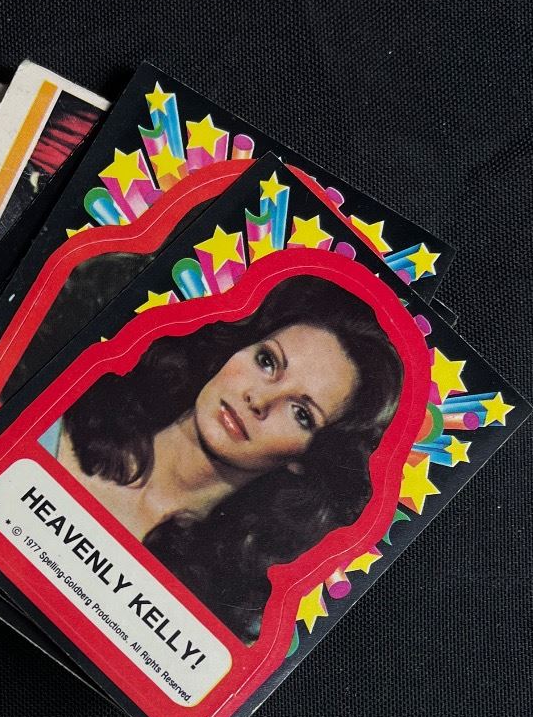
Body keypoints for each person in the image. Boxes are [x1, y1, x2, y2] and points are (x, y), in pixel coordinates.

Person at [53, 273, 405, 641]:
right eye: (267, 361)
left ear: (307, 458)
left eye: (301, 414)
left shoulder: (228, 614)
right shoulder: (64, 409)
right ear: (237, 347)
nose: (260, 399)